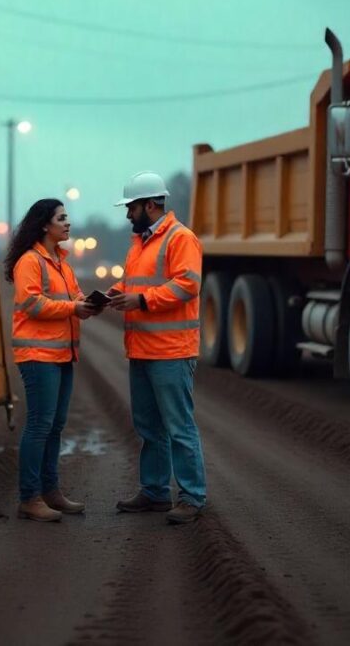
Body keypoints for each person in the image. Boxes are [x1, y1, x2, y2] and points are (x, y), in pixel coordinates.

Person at [108, 171, 207, 524]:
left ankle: (193, 496)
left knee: (179, 427)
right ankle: (154, 493)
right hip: (142, 349)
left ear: (150, 205)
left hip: (171, 351)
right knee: (149, 428)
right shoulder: (141, 242)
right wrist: (116, 293)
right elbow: (135, 282)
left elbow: (187, 285)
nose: (127, 214)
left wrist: (142, 300)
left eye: (131, 207)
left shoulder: (182, 239)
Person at [5, 198, 97, 523]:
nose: (68, 223)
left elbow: (73, 298)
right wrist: (74, 308)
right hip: (38, 355)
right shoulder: (30, 261)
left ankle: (51, 491)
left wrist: (88, 304)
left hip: (61, 353)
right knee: (40, 425)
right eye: (62, 217)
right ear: (45, 224)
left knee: (55, 426)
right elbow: (32, 303)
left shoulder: (61, 263)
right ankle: (29, 498)